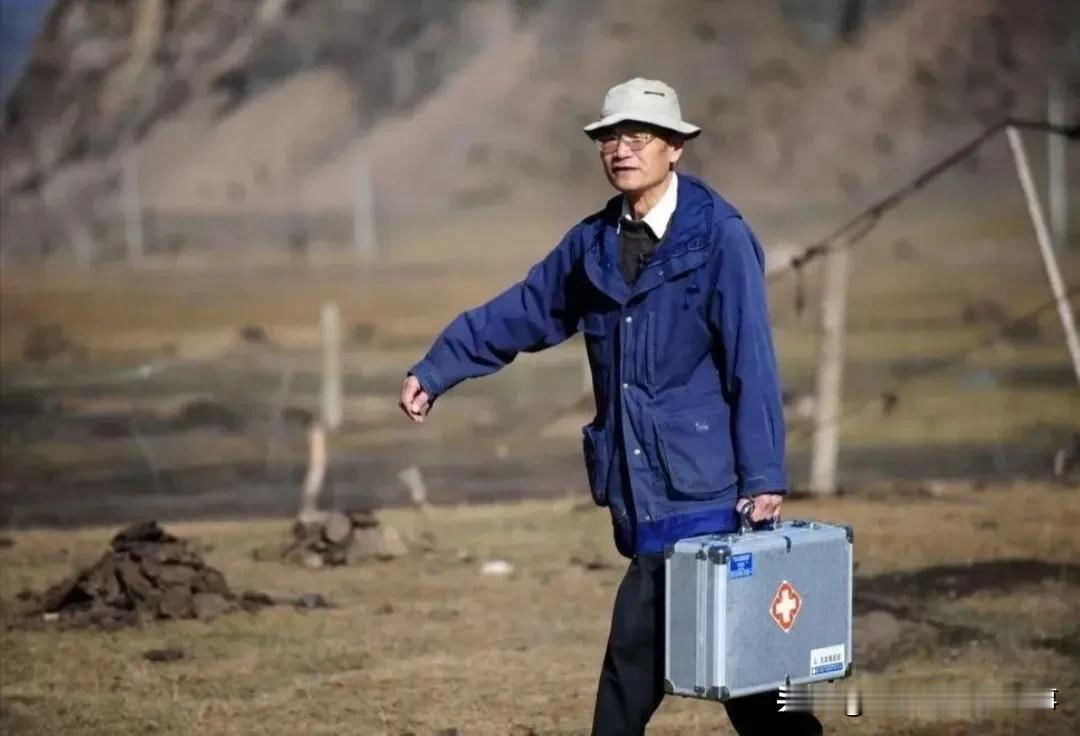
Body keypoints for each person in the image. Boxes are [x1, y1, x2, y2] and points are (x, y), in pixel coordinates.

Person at [399, 78, 822, 735]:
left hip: (705, 491)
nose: (622, 149)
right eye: (610, 138)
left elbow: (752, 362)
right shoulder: (592, 244)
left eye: (639, 136)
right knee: (748, 681)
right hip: (638, 488)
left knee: (637, 672)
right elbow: (527, 310)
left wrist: (764, 475)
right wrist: (441, 366)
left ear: (676, 147)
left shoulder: (720, 237)